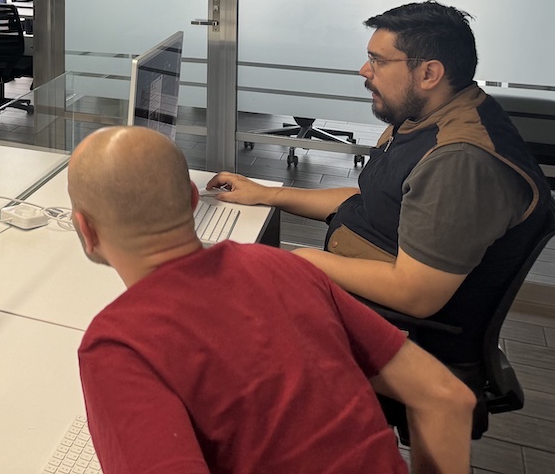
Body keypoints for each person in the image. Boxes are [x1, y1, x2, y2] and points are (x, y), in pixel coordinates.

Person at [68, 126, 475, 474]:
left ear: (85, 230)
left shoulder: (119, 347)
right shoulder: (287, 267)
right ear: (193, 199)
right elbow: (448, 398)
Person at [207, 1, 553, 353]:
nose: (364, 71)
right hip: (357, 292)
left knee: (217, 311)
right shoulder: (428, 114)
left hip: (398, 337)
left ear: (429, 74)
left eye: (378, 61)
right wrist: (268, 193)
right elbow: (372, 200)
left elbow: (415, 295)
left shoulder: (459, 162)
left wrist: (304, 262)